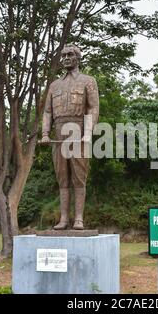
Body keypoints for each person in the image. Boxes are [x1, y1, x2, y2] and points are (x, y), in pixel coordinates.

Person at [39, 44, 99, 230]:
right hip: (58, 133)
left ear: (78, 58)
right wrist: (45, 134)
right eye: (63, 55)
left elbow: (93, 107)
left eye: (70, 54)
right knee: (62, 178)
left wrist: (88, 133)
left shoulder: (88, 81)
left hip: (79, 132)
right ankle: (64, 218)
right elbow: (47, 112)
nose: (65, 58)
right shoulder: (54, 85)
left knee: (79, 178)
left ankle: (79, 218)